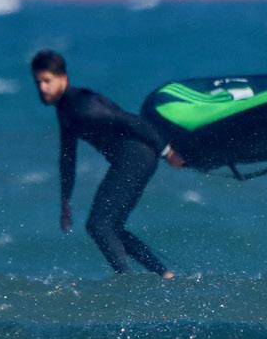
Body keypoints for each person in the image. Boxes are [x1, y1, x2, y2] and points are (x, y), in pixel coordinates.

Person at [31, 49, 185, 277]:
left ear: (63, 77)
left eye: (47, 81)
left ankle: (127, 281)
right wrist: (66, 200)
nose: (42, 88)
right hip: (132, 158)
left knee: (99, 225)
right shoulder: (65, 109)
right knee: (108, 226)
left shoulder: (82, 105)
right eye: (38, 82)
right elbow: (67, 157)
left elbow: (131, 121)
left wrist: (167, 151)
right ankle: (165, 274)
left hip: (135, 156)